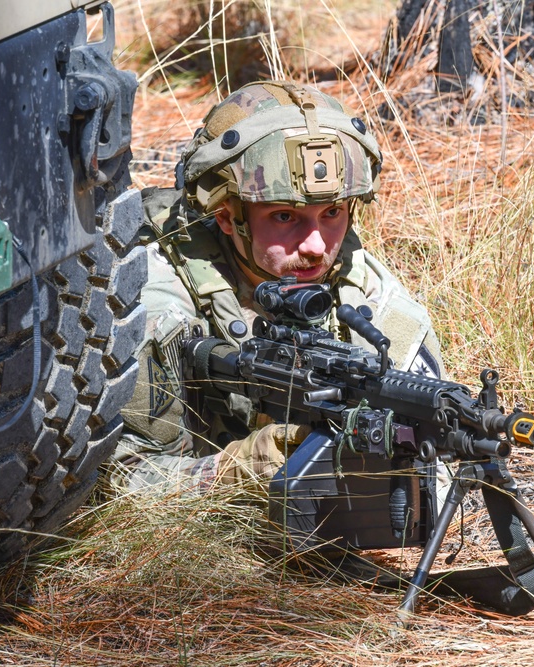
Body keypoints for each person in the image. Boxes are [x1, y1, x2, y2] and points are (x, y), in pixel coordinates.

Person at [112, 81, 446, 493]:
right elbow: (125, 484)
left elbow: (436, 477)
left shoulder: (367, 292)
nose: (316, 246)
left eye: (332, 212)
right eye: (285, 217)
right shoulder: (160, 302)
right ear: (224, 215)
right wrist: (235, 471)